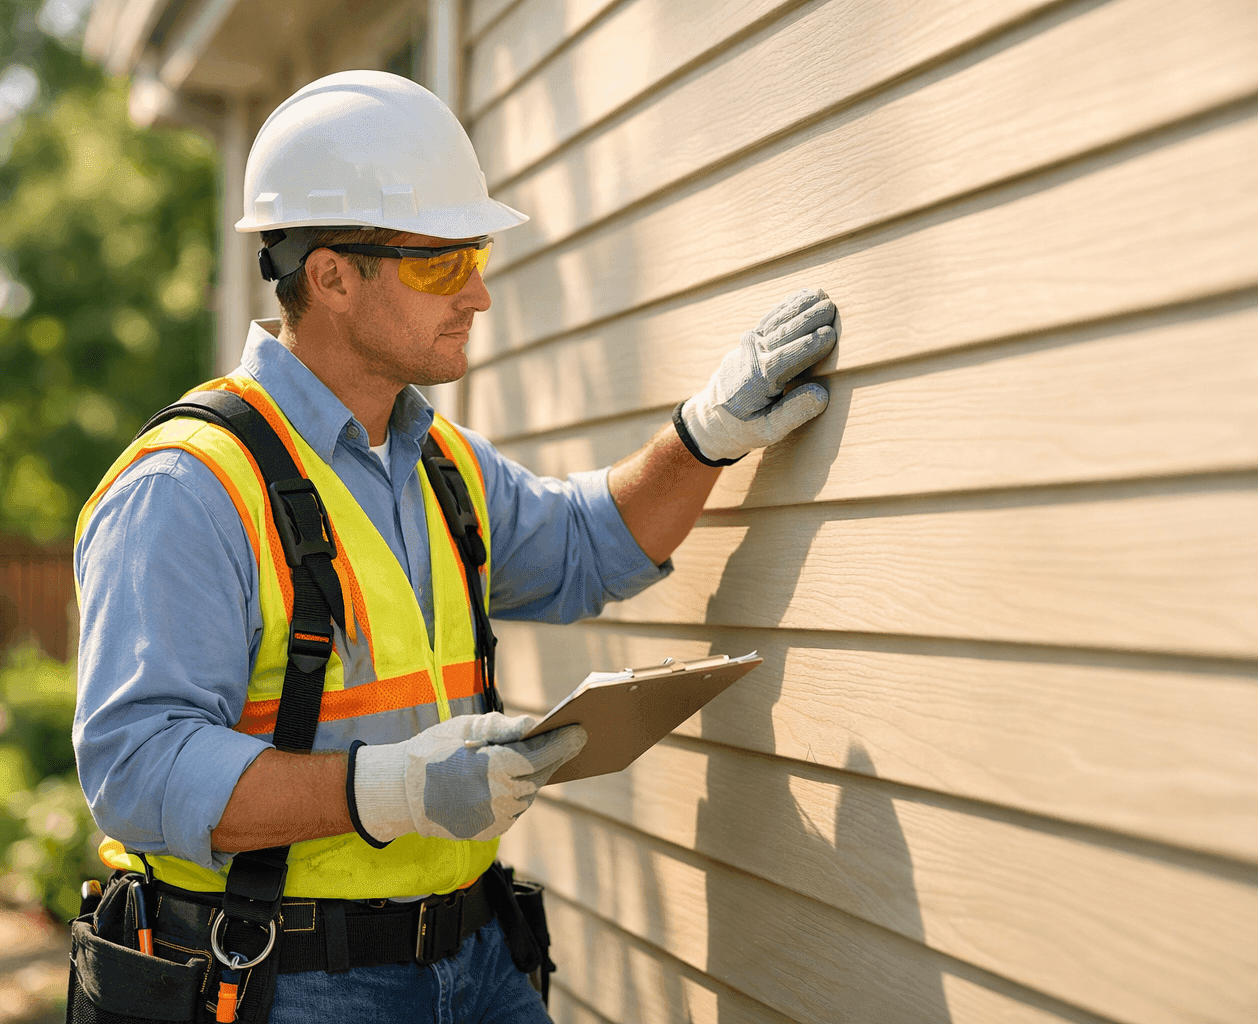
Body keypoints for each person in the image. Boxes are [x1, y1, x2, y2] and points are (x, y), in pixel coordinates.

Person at [73, 70, 838, 1022]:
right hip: (290, 979)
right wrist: (391, 789)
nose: (477, 294)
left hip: (475, 958)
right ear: (332, 276)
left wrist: (702, 437)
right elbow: (135, 771)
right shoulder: (187, 490)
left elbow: (586, 545)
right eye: (441, 263)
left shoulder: (436, 463)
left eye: (473, 254)